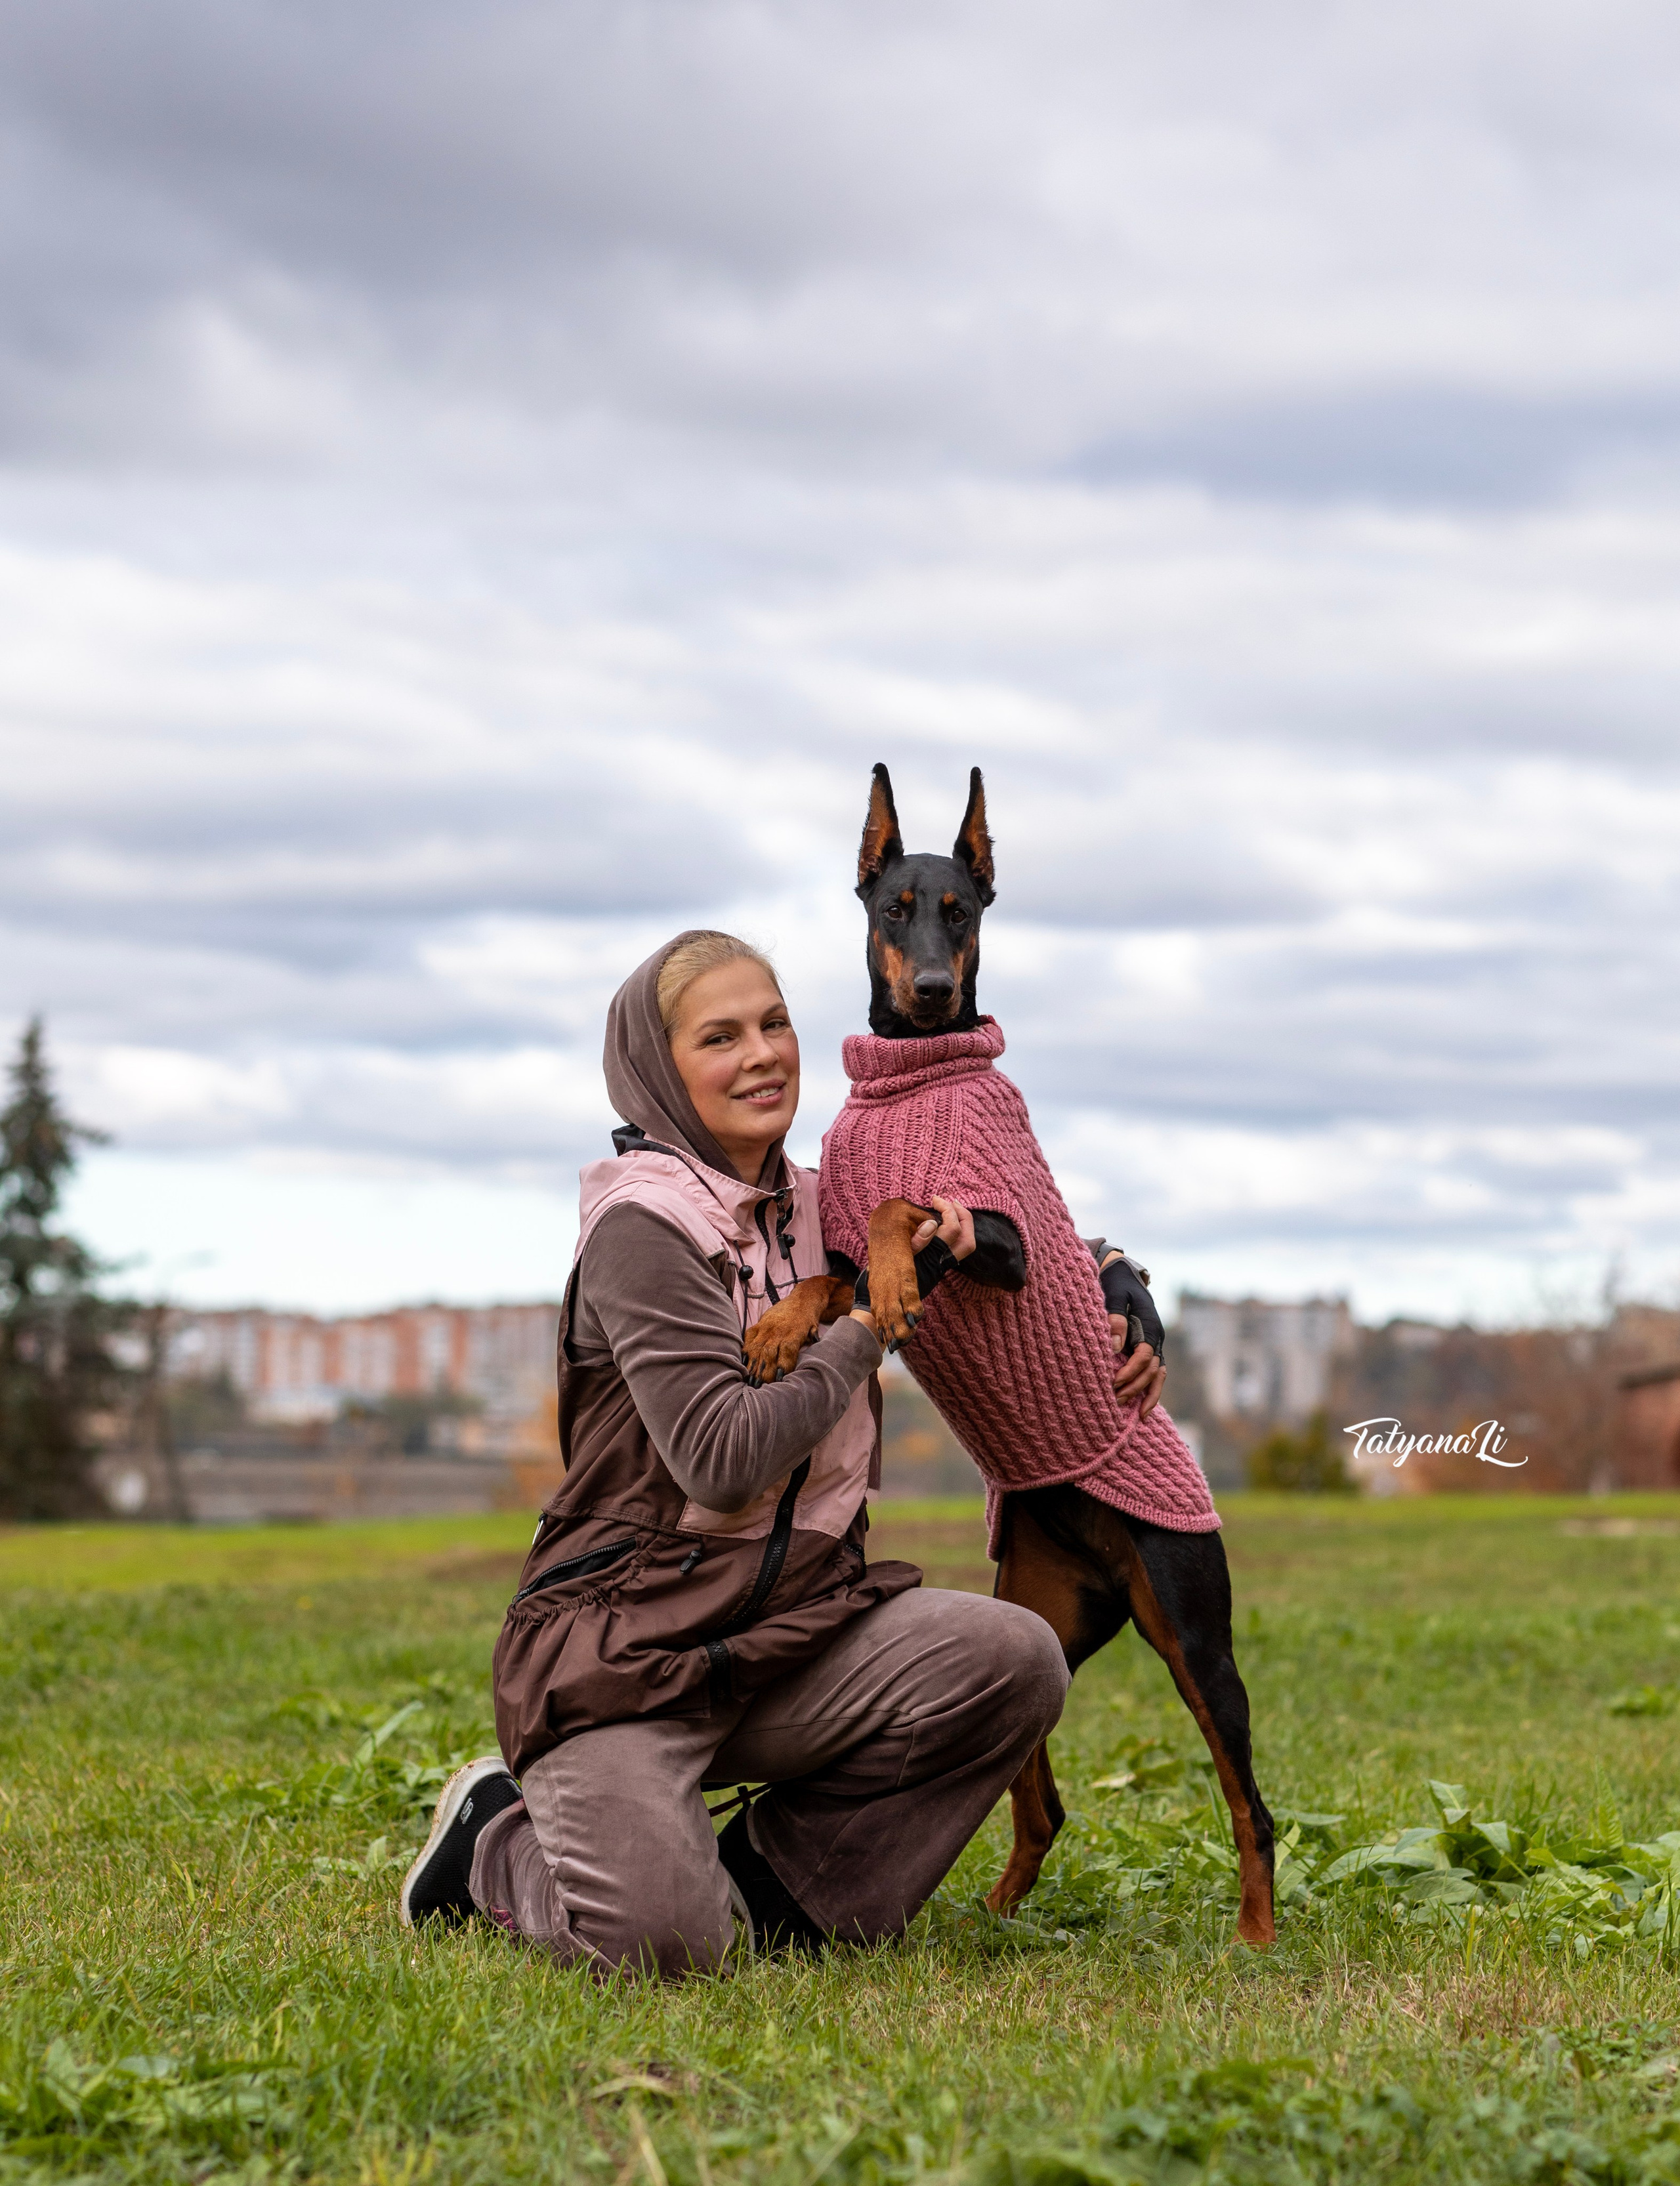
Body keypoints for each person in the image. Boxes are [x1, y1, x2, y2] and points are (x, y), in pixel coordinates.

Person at [400, 929, 1070, 1975]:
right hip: (628, 1653)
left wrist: (1121, 1289)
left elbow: (1011, 1227)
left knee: (1010, 1660)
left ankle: (781, 1899)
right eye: (720, 1037)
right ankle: (497, 1837)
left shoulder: (826, 1200)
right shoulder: (642, 1229)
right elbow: (721, 1459)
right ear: (660, 1069)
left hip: (790, 1635)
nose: (762, 1055)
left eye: (774, 1024)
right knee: (665, 1950)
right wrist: (866, 1331)